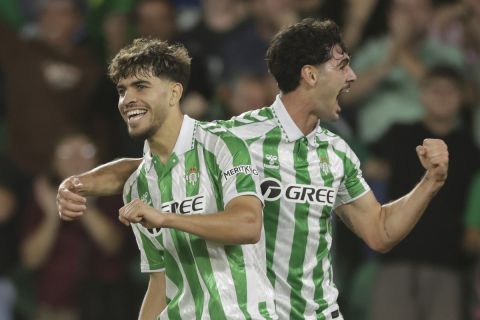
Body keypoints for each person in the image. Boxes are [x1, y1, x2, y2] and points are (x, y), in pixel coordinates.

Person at [58, 19, 449, 319]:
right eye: (342, 65)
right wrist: (80, 184)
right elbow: (152, 163)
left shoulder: (337, 153)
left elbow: (379, 232)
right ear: (311, 74)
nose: (352, 76)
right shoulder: (237, 136)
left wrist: (431, 182)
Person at [59, 38, 277, 320]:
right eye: (122, 90)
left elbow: (248, 225)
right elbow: (161, 281)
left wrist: (166, 218)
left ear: (174, 94)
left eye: (141, 86)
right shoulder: (138, 185)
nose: (127, 100)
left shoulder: (222, 145)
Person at [364, 65, 480, 320]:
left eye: (449, 91)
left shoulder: (471, 149)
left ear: (461, 97)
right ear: (422, 94)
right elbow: (362, 162)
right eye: (434, 90)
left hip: (448, 264)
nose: (441, 96)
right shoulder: (399, 134)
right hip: (396, 256)